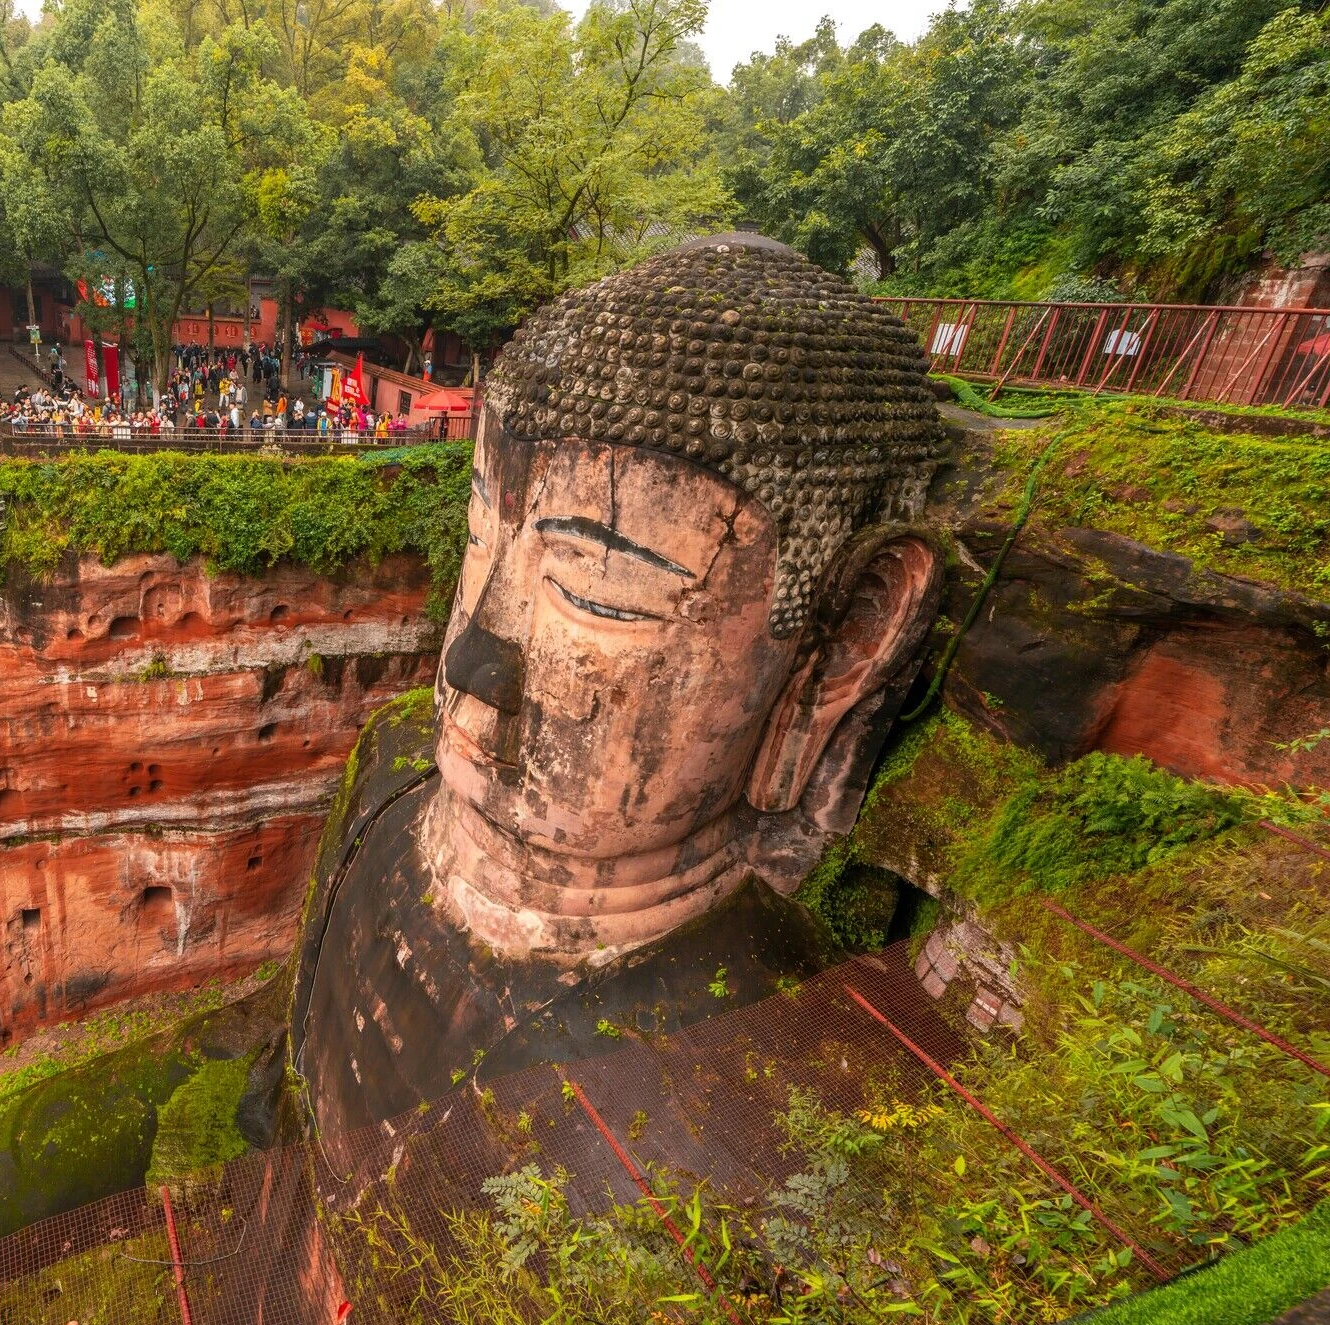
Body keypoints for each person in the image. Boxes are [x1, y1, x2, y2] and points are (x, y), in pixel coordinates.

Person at [290, 233, 948, 1144]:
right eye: (482, 533)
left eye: (595, 587)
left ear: (845, 642)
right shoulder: (386, 783)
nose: (469, 659)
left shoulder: (752, 1079)